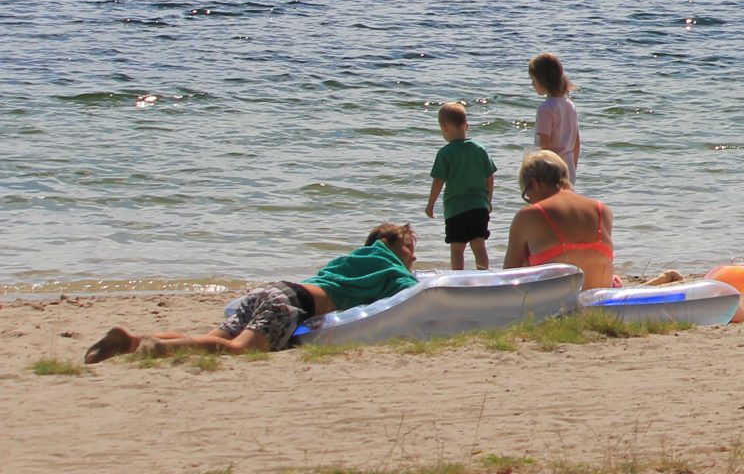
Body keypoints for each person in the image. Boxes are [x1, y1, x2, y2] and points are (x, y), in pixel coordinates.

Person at [84, 226, 420, 361]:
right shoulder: (389, 266)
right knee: (238, 349)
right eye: (409, 248)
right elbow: (416, 293)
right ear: (388, 246)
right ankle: (157, 348)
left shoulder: (352, 260)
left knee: (211, 338)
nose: (414, 257)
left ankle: (132, 340)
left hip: (272, 290)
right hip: (289, 303)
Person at [502, 149, 616, 289]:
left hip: (554, 301)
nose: (530, 201)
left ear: (535, 183)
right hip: (601, 300)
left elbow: (508, 277)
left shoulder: (529, 215)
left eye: (527, 194)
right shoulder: (602, 210)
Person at [425, 101, 498, 271]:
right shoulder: (480, 149)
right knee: (479, 246)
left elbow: (438, 181)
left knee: (457, 248)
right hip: (479, 208)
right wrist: (488, 200)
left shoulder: (445, 153)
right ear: (467, 125)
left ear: (444, 127)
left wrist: (430, 204)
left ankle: (458, 278)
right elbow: (490, 177)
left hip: (456, 209)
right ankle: (484, 276)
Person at [530, 51, 580, 182]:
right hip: (568, 168)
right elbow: (576, 142)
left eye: (533, 80)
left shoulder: (545, 109)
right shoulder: (570, 105)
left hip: (551, 171)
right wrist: (573, 167)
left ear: (542, 80)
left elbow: (545, 145)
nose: (532, 84)